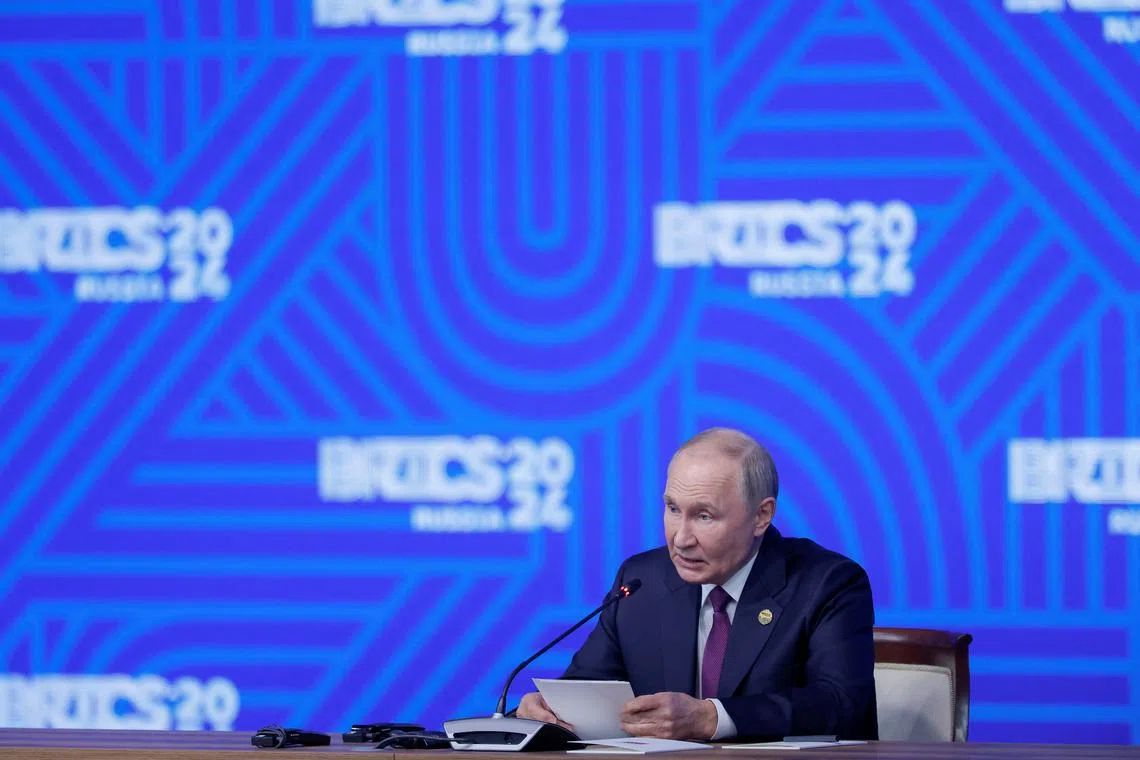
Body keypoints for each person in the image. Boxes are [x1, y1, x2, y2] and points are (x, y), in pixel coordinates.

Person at [515, 428, 877, 742]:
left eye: (704, 516)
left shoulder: (827, 583)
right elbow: (587, 688)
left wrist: (711, 718)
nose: (681, 539)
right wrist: (543, 712)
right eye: (673, 509)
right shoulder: (642, 582)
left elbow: (842, 705)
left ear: (761, 515)